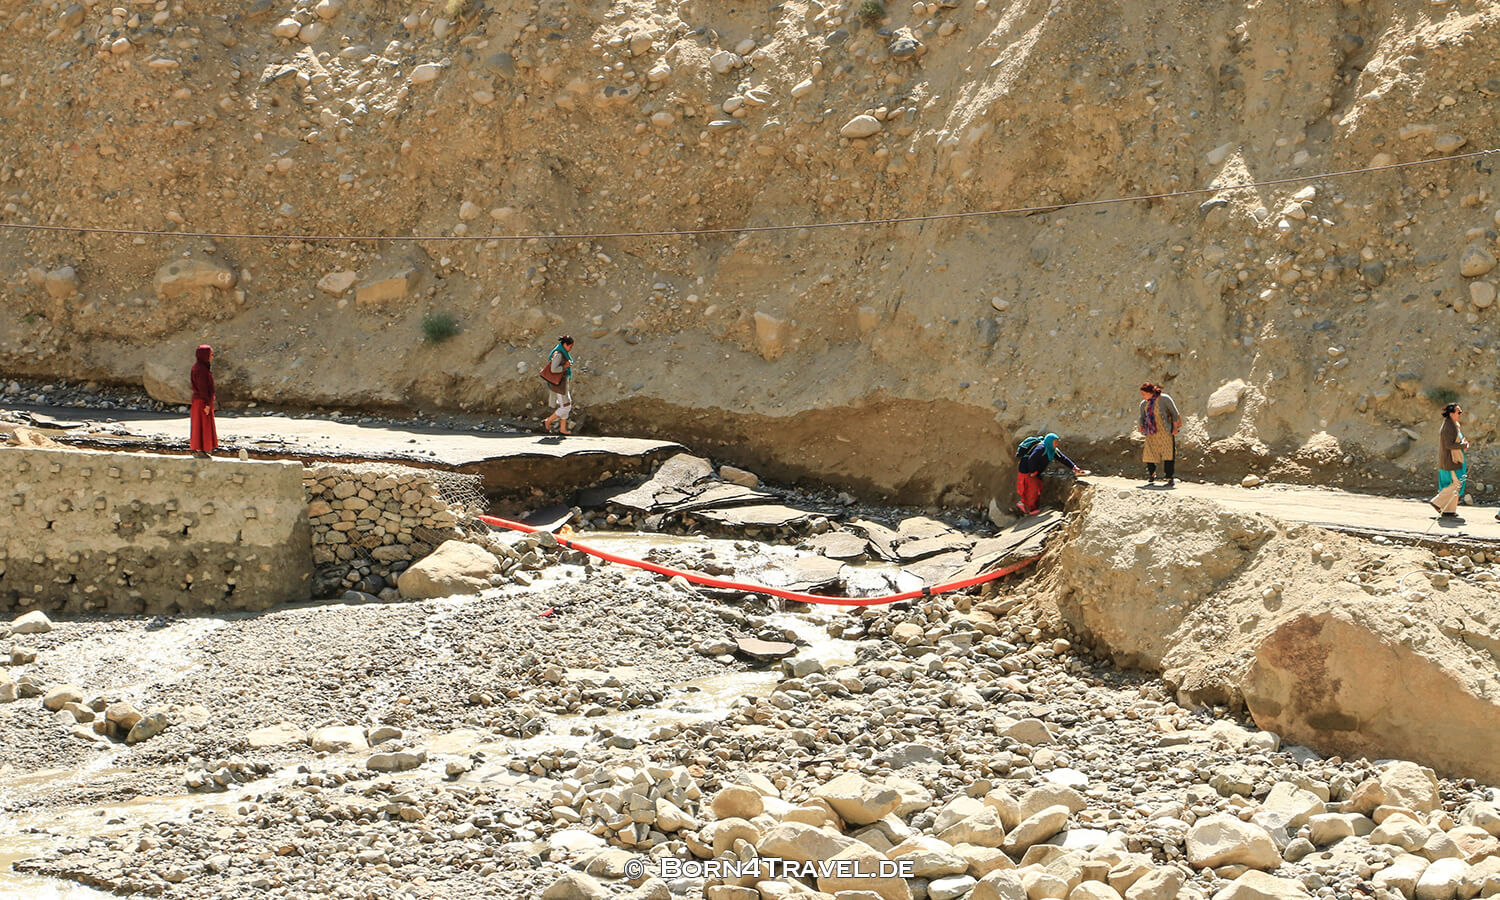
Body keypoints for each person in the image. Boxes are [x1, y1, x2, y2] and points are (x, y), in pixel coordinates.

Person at [1015, 432, 1087, 516]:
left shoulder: (1052, 450)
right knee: (1033, 489)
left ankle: (1023, 503)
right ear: (1050, 442)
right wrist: (1032, 471)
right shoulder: (1040, 448)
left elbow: (1063, 458)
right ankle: (1032, 510)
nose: (1057, 444)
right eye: (1055, 442)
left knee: (1037, 486)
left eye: (1057, 441)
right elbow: (1031, 459)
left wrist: (1074, 467)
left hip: (1035, 472)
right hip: (1027, 471)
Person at [1137, 382, 1181, 486]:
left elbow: (1174, 413)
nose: (1142, 396)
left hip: (1165, 431)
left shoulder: (1164, 399)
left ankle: (1169, 477)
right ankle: (1152, 474)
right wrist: (1140, 426)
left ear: (1150, 392)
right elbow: (1142, 417)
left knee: (1168, 453)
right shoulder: (1144, 404)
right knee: (1149, 453)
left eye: (1144, 394)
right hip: (1151, 432)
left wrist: (1174, 427)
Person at [1429, 402, 1468, 518]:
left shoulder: (1453, 425)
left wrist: (1462, 444)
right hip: (1451, 460)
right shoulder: (1448, 427)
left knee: (1454, 484)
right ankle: (1437, 501)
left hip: (1453, 459)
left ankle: (1448, 510)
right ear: (1451, 413)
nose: (1460, 414)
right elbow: (1449, 445)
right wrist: (1463, 446)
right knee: (1457, 484)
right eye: (1458, 412)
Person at [540, 335, 575, 435]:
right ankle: (548, 421)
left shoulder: (562, 353)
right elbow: (553, 369)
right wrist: (565, 367)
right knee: (566, 406)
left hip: (562, 383)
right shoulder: (559, 354)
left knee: (567, 404)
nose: (570, 349)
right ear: (565, 345)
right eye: (570, 347)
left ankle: (562, 429)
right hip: (558, 385)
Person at [189, 344, 217, 458]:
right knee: (202, 424)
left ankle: (201, 449)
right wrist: (206, 403)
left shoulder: (201, 367)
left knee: (201, 424)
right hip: (201, 402)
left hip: (200, 401)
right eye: (210, 354)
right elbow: (203, 387)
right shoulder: (200, 369)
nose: (211, 357)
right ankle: (200, 448)